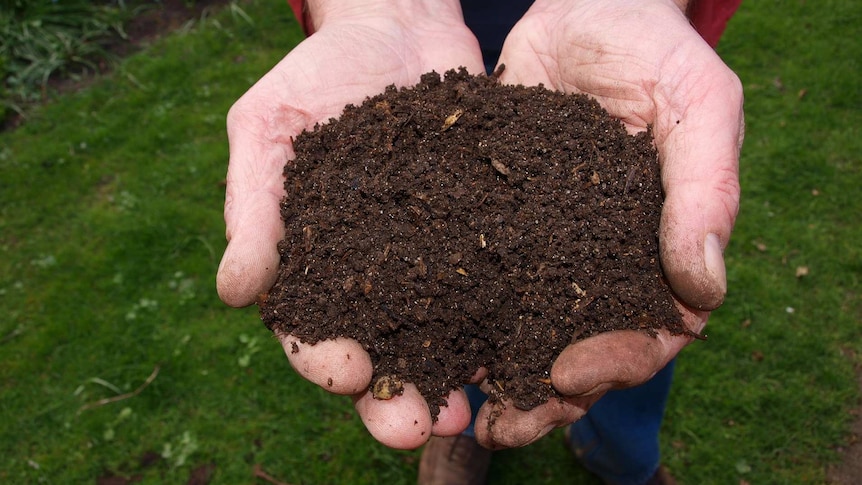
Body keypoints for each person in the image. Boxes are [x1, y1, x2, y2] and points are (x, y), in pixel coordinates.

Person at [216, 1, 744, 483]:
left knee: (629, 333)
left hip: (586, 43)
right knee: (455, 343)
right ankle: (463, 433)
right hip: (421, 28)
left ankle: (622, 456)